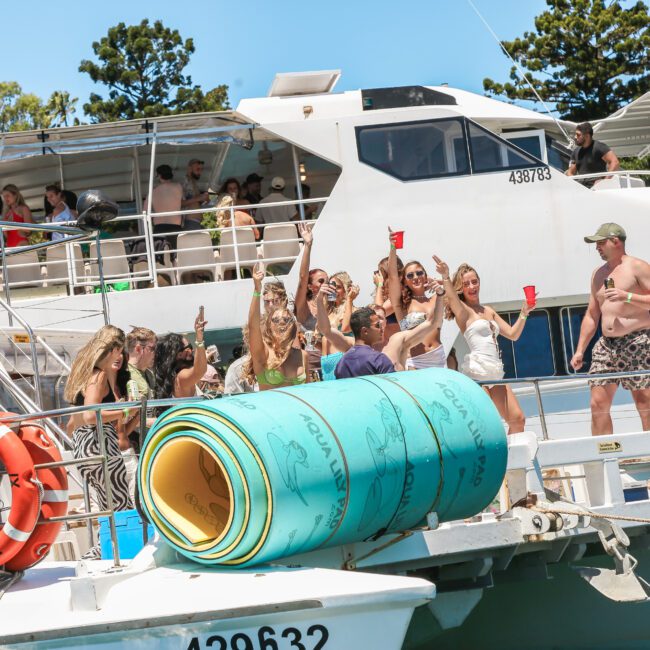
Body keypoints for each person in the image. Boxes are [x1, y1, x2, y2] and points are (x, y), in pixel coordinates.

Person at [435, 256, 535, 435]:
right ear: (461, 288)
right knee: (489, 425)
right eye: (467, 284)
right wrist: (445, 276)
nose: (472, 287)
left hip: (495, 372)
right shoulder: (463, 311)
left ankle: (510, 461)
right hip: (478, 373)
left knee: (518, 420)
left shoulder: (488, 311)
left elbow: (513, 334)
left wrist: (524, 313)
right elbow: (451, 297)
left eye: (475, 282)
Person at [570, 223, 650, 435]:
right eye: (595, 243)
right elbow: (592, 314)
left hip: (638, 341)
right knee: (598, 405)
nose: (597, 247)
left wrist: (628, 296)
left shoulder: (637, 267)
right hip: (606, 345)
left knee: (645, 404)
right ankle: (606, 456)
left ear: (616, 241)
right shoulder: (598, 274)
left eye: (601, 242)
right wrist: (580, 350)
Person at [64, 325, 138, 550]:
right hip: (100, 445)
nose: (120, 355)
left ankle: (105, 550)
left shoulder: (89, 374)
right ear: (110, 349)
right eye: (118, 349)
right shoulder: (99, 376)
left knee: (110, 506)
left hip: (85, 447)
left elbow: (74, 423)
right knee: (120, 506)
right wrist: (125, 410)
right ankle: (110, 551)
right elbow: (89, 415)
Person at [319, 282, 444, 379]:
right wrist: (319, 300)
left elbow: (433, 323)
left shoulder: (398, 340)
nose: (379, 323)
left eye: (382, 319)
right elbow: (326, 330)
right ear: (366, 326)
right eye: (376, 320)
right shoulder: (353, 345)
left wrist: (440, 295)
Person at [244, 262, 308, 390]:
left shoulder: (302, 355)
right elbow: (253, 327)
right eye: (267, 301)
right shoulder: (263, 350)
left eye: (275, 301)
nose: (271, 305)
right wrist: (257, 289)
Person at [388, 230, 446, 369]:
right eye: (410, 275)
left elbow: (456, 288)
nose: (415, 277)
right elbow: (392, 277)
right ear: (405, 281)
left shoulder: (437, 297)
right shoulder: (401, 304)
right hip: (415, 361)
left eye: (419, 273)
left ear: (425, 276)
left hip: (438, 357)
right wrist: (392, 247)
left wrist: (443, 276)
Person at [154, 308, 208, 411]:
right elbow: (200, 371)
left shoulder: (172, 377)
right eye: (189, 348)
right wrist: (199, 339)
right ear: (178, 355)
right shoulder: (181, 377)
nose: (191, 350)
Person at [145, 164, 183, 260]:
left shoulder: (153, 192)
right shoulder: (178, 187)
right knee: (177, 257)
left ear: (159, 176)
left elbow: (145, 210)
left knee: (161, 259)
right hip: (175, 227)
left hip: (159, 228)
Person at [566, 122, 620, 187]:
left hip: (597, 189)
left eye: (578, 135)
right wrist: (577, 185)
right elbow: (570, 172)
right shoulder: (575, 152)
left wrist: (605, 182)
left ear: (587, 136)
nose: (575, 137)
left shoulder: (599, 147)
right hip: (582, 189)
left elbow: (615, 162)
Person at [181, 158, 210, 230]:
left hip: (196, 222)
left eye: (201, 169)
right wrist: (199, 198)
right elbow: (179, 203)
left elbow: (194, 201)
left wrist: (204, 199)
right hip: (189, 222)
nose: (200, 172)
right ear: (190, 168)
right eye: (197, 169)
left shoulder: (194, 182)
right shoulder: (184, 182)